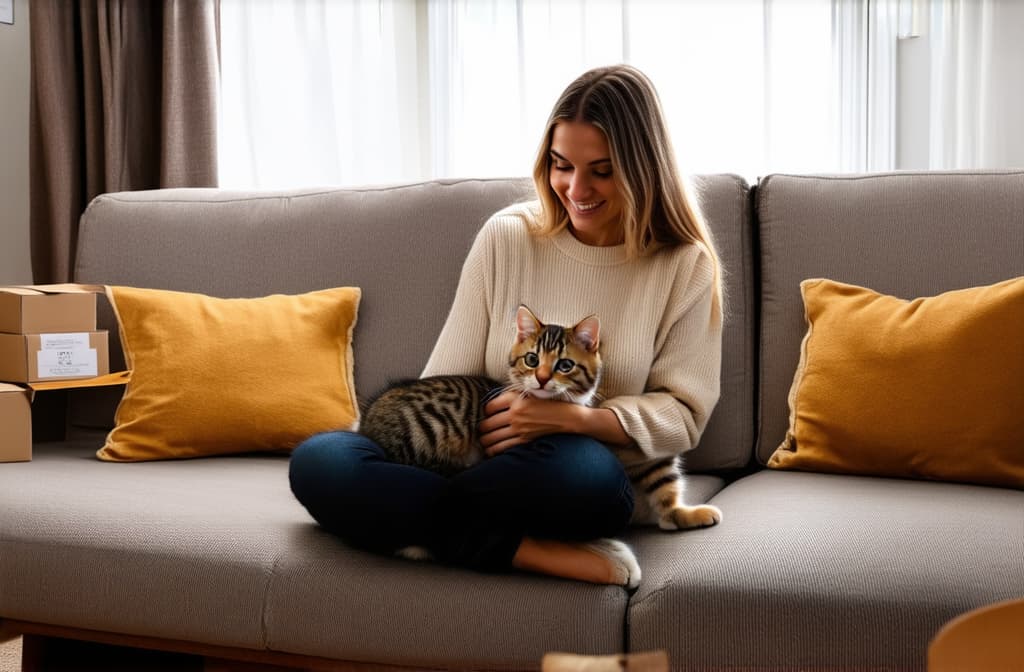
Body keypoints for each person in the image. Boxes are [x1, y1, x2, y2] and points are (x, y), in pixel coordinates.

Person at [288, 64, 723, 586]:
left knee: (586, 478)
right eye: (561, 165)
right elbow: (442, 381)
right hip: (477, 466)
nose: (575, 188)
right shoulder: (507, 236)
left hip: (570, 471)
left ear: (642, 167)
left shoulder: (684, 263)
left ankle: (406, 522)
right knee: (320, 461)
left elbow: (684, 415)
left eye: (601, 171)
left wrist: (574, 421)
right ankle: (519, 549)